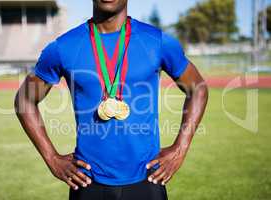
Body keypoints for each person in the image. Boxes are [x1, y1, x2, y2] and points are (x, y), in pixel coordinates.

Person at [14, 0, 208, 199]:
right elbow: (24, 100)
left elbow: (198, 89)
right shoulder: (63, 47)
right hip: (87, 182)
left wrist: (180, 147)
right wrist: (52, 158)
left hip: (148, 180)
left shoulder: (156, 41)